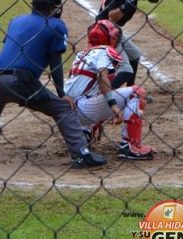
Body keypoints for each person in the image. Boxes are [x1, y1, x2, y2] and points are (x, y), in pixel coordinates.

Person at [0, 0, 107, 168]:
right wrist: (62, 94)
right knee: (62, 108)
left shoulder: (16, 20)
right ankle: (81, 154)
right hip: (20, 82)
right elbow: (55, 63)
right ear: (52, 9)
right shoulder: (55, 25)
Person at [64, 20, 156, 160]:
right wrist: (113, 106)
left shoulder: (82, 54)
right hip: (84, 109)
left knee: (97, 92)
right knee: (136, 93)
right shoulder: (104, 52)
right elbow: (103, 78)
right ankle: (130, 147)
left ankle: (84, 134)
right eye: (115, 36)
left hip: (68, 112)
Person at [96, 0, 159, 89]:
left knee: (134, 55)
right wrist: (128, 3)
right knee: (126, 69)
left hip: (113, 30)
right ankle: (104, 95)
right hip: (105, 30)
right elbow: (111, 16)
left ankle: (130, 91)